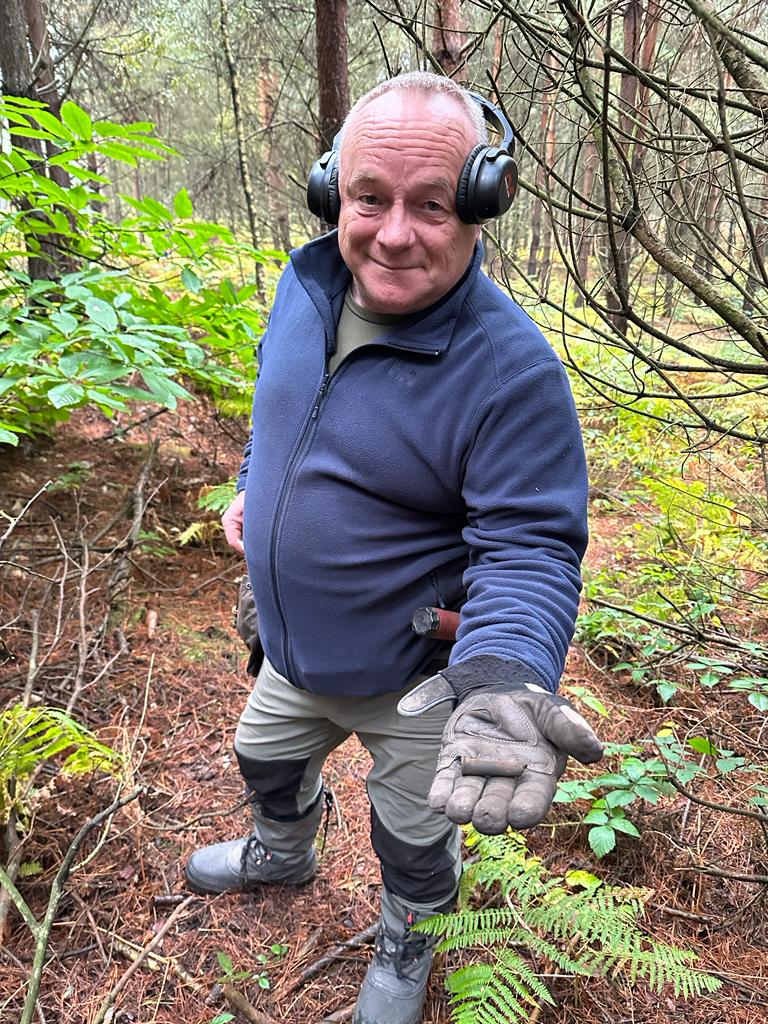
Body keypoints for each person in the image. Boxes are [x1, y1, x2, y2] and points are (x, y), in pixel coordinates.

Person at [186, 72, 603, 1024]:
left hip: (414, 675)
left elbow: (532, 545)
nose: (394, 232)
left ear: (483, 202)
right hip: (292, 652)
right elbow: (280, 410)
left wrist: (500, 672)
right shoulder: (304, 285)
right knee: (264, 761)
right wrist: (258, 483)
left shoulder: (511, 372)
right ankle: (281, 854)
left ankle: (408, 937)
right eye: (370, 197)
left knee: (413, 835)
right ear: (336, 189)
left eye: (432, 204)